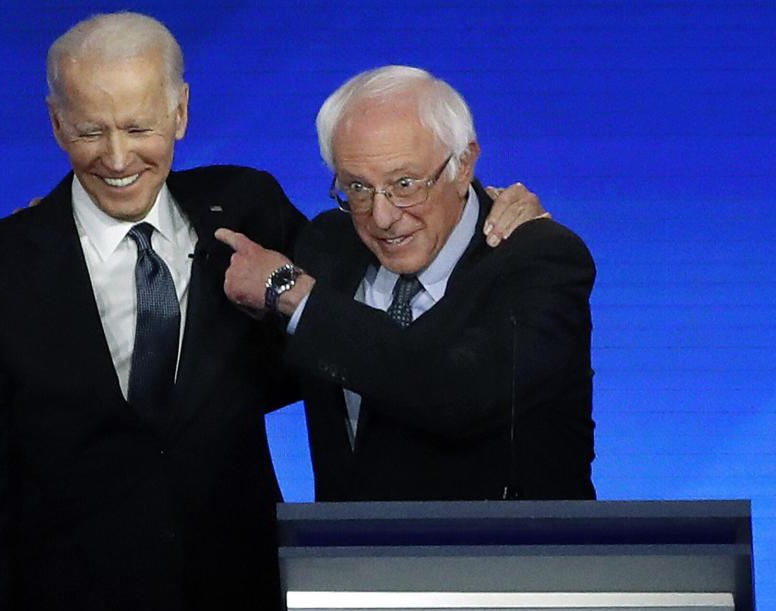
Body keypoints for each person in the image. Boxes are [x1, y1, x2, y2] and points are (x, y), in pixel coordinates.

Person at [0, 12, 544, 611]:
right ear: (57, 124)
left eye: (139, 127)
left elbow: (383, 270)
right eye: (90, 131)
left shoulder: (248, 208)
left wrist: (488, 207)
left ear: (180, 114)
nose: (116, 157)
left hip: (243, 610)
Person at [218, 65, 596, 503]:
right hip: (347, 562)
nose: (383, 217)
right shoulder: (326, 246)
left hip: (505, 562)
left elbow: (455, 393)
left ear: (463, 163)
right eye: (357, 187)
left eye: (405, 184)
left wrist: (294, 293)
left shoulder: (539, 260)